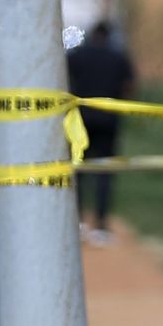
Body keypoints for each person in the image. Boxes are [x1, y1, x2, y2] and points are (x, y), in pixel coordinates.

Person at [65, 20, 135, 246]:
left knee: (78, 170)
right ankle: (101, 224)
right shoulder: (118, 58)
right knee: (104, 173)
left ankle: (76, 221)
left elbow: (63, 81)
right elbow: (129, 86)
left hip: (81, 122)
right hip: (109, 121)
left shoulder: (78, 56)